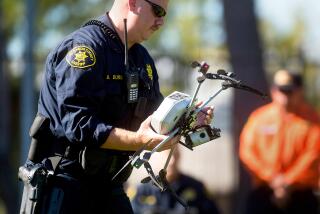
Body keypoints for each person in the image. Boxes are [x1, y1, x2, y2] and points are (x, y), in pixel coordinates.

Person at [22, 0, 213, 213]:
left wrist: (186, 119)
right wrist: (140, 141)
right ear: (132, 3)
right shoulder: (85, 49)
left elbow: (155, 117)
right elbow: (79, 126)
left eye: (164, 15)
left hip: (111, 187)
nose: (161, 21)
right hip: (67, 186)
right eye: (157, 11)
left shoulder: (142, 58)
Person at [239, 69, 320, 214]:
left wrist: (288, 182)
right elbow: (247, 152)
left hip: (301, 196)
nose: (284, 95)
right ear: (273, 90)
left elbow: (313, 154)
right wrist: (273, 179)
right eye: (280, 90)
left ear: (300, 91)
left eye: (289, 90)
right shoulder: (259, 118)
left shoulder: (313, 119)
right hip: (264, 193)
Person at [130, 146, 220, 214]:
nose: (172, 161)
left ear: (180, 157)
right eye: (167, 156)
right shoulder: (140, 191)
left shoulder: (197, 187)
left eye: (175, 155)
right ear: (157, 158)